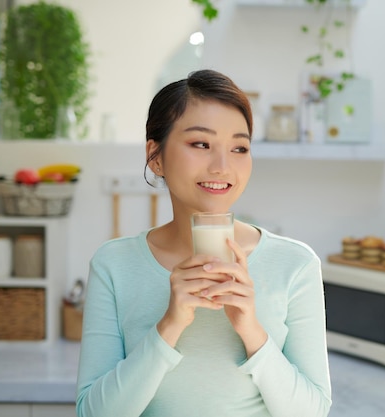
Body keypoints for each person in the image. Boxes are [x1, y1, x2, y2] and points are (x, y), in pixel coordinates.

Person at [76, 69, 332, 417]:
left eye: (239, 147)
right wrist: (170, 324)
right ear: (156, 156)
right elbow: (92, 413)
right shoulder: (114, 264)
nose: (223, 166)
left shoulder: (295, 264)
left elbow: (313, 412)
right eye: (201, 144)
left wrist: (251, 330)